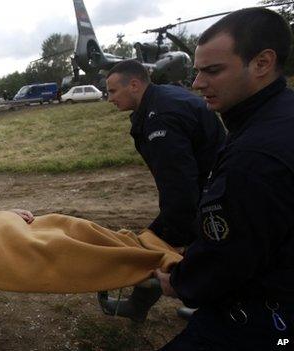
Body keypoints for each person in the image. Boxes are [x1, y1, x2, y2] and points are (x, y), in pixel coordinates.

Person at [155, 8, 294, 349]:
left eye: (212, 71)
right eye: (197, 71)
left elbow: (228, 255)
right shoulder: (278, 117)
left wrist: (181, 282)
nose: (197, 83)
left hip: (258, 319)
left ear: (262, 63)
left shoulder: (253, 156)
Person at [101, 59, 226, 322]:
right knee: (207, 251)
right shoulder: (160, 101)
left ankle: (207, 308)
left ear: (134, 85)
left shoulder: (163, 117)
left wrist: (171, 230)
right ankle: (147, 305)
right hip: (213, 187)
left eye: (112, 91)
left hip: (211, 194)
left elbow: (179, 185)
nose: (108, 98)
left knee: (156, 244)